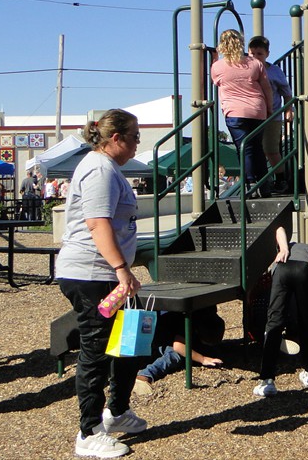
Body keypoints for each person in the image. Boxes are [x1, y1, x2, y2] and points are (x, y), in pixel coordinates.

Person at [55, 109, 147, 459]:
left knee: (129, 341)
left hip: (105, 274)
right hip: (90, 273)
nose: (138, 142)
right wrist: (121, 267)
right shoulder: (98, 169)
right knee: (95, 350)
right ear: (116, 138)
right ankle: (88, 432)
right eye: (135, 136)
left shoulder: (110, 169)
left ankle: (117, 411)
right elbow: (97, 223)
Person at [252, 224, 308, 397]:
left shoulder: (293, 246)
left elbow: (280, 229)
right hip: (305, 270)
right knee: (307, 322)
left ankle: (267, 381)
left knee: (274, 323)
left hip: (282, 267)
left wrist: (284, 248)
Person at [210, 29, 274, 196]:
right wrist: (269, 108)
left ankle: (250, 183)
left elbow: (216, 81)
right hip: (257, 110)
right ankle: (263, 183)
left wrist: (215, 58)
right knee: (257, 147)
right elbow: (267, 88)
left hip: (234, 112)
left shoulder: (217, 66)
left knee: (243, 148)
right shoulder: (255, 64)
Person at [134, 307, 226, 395]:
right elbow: (178, 347)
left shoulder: (205, 315)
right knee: (175, 355)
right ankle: (145, 375)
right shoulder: (188, 323)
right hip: (161, 340)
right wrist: (203, 359)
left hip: (174, 335)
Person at [248, 35, 294, 194]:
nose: (255, 57)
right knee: (252, 149)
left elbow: (286, 93)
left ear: (267, 54)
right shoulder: (246, 69)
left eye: (259, 54)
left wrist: (289, 109)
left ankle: (280, 179)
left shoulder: (274, 71)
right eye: (252, 54)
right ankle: (256, 180)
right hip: (253, 116)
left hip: (272, 116)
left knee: (270, 149)